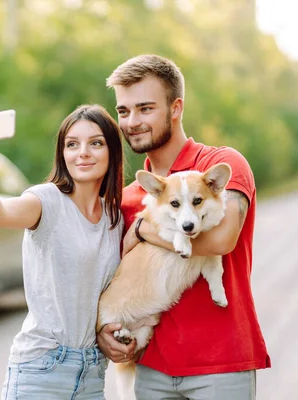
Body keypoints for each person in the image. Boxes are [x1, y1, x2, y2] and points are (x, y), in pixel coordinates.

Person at [96, 54, 271, 399]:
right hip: (150, 368)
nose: (132, 121)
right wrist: (103, 330)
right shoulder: (129, 196)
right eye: (123, 111)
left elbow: (221, 239)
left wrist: (146, 231)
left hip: (221, 365)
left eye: (145, 108)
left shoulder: (221, 166)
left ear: (175, 108)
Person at [0, 104, 125, 399]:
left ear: (112, 151)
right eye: (72, 144)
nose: (82, 152)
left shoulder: (115, 218)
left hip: (92, 373)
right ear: (62, 154)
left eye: (95, 143)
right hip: (42, 368)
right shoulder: (46, 200)